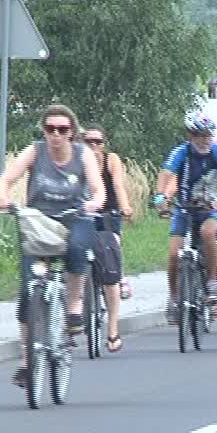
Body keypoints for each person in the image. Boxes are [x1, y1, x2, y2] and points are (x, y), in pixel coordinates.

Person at [0, 104, 105, 386]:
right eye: (50, 129)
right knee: (26, 294)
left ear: (72, 133)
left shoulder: (83, 155)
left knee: (79, 247)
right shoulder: (35, 151)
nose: (56, 135)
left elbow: (97, 188)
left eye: (63, 129)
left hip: (74, 216)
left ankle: (74, 304)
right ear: (44, 131)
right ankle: (27, 362)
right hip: (38, 221)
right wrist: (3, 197)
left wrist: (93, 203)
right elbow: (7, 178)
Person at [152, 113, 217, 323]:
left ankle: (213, 283)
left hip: (211, 207)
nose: (205, 139)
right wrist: (161, 196)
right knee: (173, 253)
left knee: (208, 233)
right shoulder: (181, 152)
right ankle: (174, 297)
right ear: (190, 135)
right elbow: (166, 173)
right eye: (200, 135)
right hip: (185, 207)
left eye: (208, 134)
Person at [81, 123, 134, 352]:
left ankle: (112, 330)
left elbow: (118, 186)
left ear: (104, 144)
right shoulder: (76, 159)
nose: (93, 146)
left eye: (98, 142)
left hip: (108, 213)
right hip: (82, 214)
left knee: (112, 251)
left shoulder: (111, 160)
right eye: (88, 141)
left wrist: (125, 207)